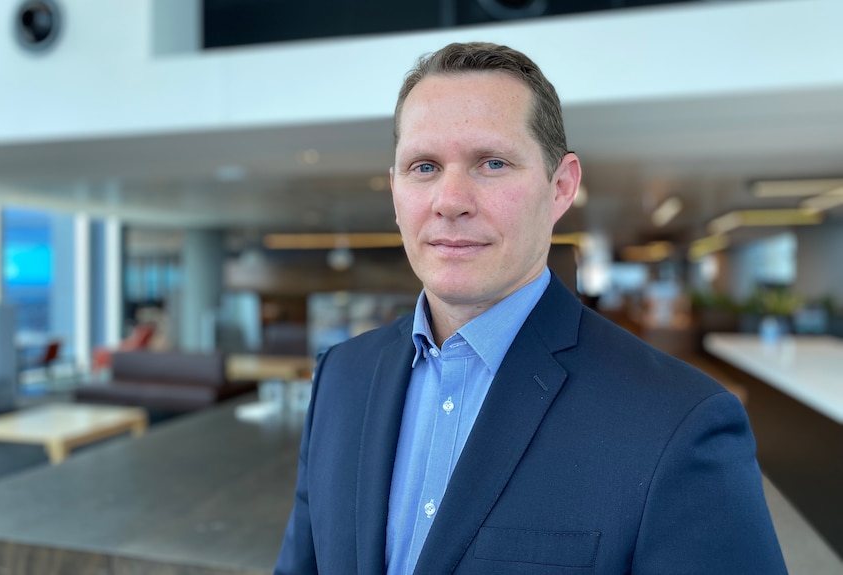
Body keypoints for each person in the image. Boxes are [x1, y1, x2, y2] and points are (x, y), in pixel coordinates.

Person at [275, 42, 786, 574]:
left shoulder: (681, 421)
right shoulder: (341, 377)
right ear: (395, 192)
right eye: (424, 166)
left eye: (492, 163)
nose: (450, 200)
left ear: (561, 187)